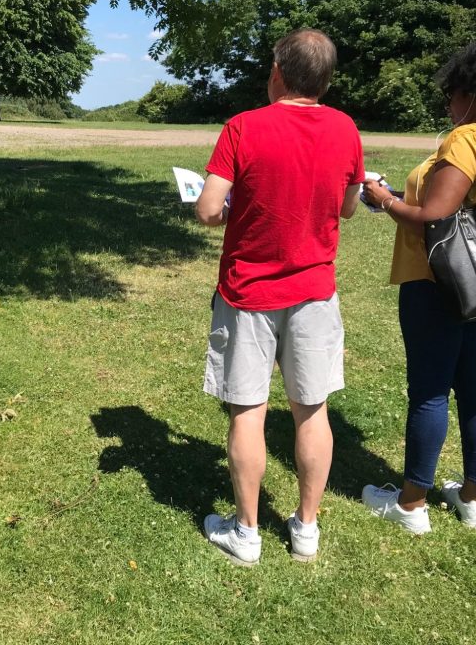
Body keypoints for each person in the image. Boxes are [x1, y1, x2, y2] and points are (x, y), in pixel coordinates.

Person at [196, 28, 364, 565]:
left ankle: (246, 534)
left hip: (248, 292)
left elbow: (206, 209)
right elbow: (348, 207)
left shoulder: (243, 127)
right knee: (311, 410)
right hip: (315, 290)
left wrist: (231, 210)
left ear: (276, 72)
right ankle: (306, 529)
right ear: (327, 80)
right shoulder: (345, 129)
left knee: (248, 410)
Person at [361, 39, 476, 534]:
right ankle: (473, 499)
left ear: (473, 92)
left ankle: (411, 504)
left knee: (430, 390)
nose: (448, 104)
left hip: (438, 280)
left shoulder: (466, 139)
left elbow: (433, 219)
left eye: (452, 93)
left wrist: (383, 198)